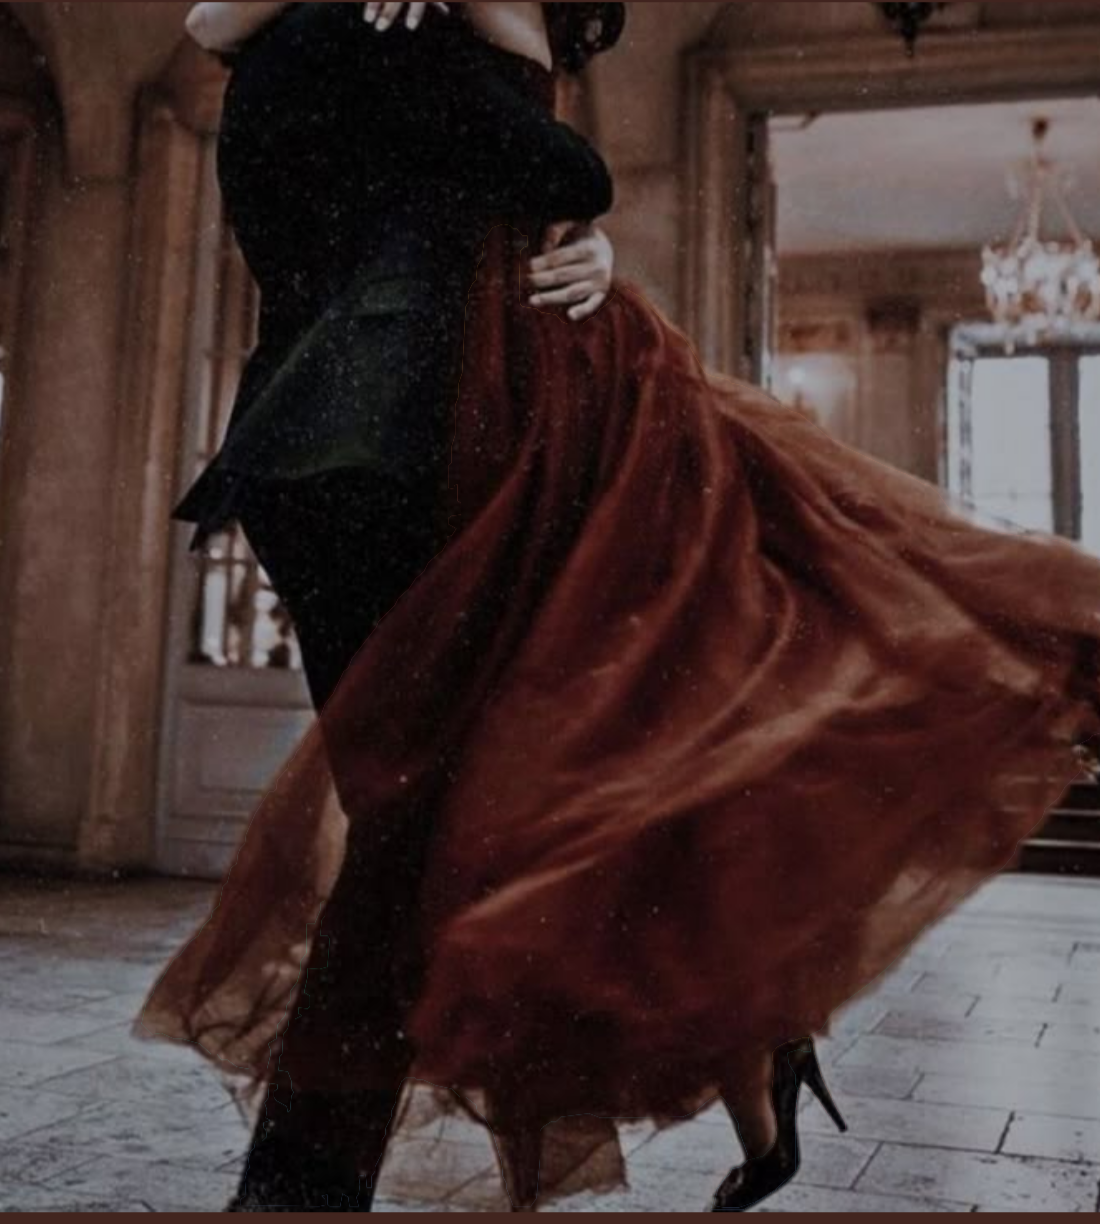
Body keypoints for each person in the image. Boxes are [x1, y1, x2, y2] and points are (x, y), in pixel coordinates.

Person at [137, 0, 1100, 1214]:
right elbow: (523, 159)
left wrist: (574, 233)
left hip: (394, 444)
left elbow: (537, 169)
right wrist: (568, 213)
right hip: (360, 448)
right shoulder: (338, 33)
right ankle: (745, 1035)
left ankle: (308, 1181)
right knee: (502, 800)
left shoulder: (392, 32)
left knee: (482, 804)